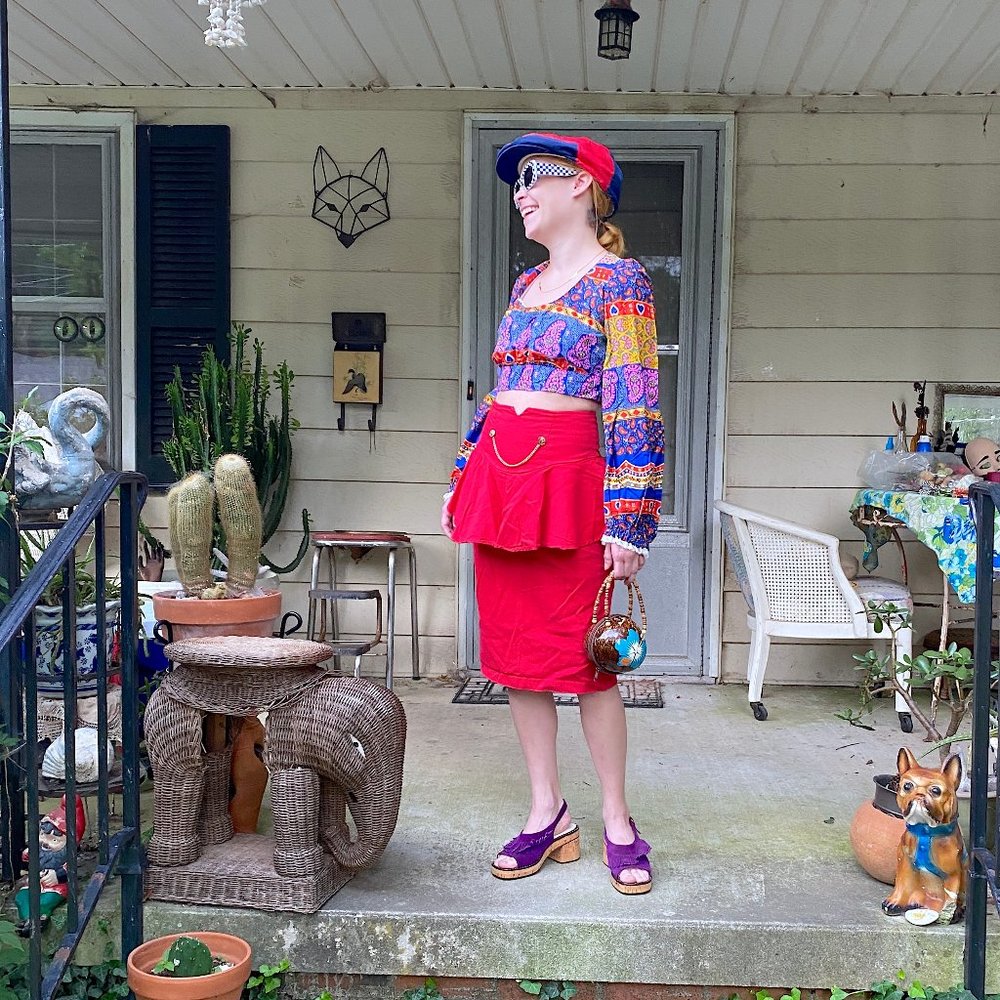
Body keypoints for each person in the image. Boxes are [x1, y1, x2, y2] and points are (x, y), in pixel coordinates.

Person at [442, 133, 664, 894]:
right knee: (516, 662)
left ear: (585, 187)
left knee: (589, 664)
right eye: (518, 180)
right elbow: (496, 396)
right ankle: (548, 812)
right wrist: (462, 473)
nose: (521, 191)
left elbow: (635, 399)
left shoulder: (620, 281)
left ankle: (616, 821)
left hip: (570, 486)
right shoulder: (522, 286)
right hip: (501, 483)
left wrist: (629, 521)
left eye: (538, 177)